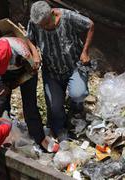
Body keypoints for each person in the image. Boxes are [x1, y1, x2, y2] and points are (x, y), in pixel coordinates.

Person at [28, 1, 94, 141]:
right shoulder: (35, 22)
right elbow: (30, 38)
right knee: (54, 106)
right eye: (41, 26)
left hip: (73, 66)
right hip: (51, 71)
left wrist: (85, 52)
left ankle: (76, 109)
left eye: (46, 24)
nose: (44, 28)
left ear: (53, 13)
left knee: (78, 93)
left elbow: (90, 25)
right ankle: (60, 128)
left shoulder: (68, 17)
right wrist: (34, 52)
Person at [0, 37, 58, 152]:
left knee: (30, 107)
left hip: (26, 73)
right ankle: (4, 135)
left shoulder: (22, 53)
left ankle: (39, 138)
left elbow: (33, 71)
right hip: (4, 73)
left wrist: (11, 85)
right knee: (0, 105)